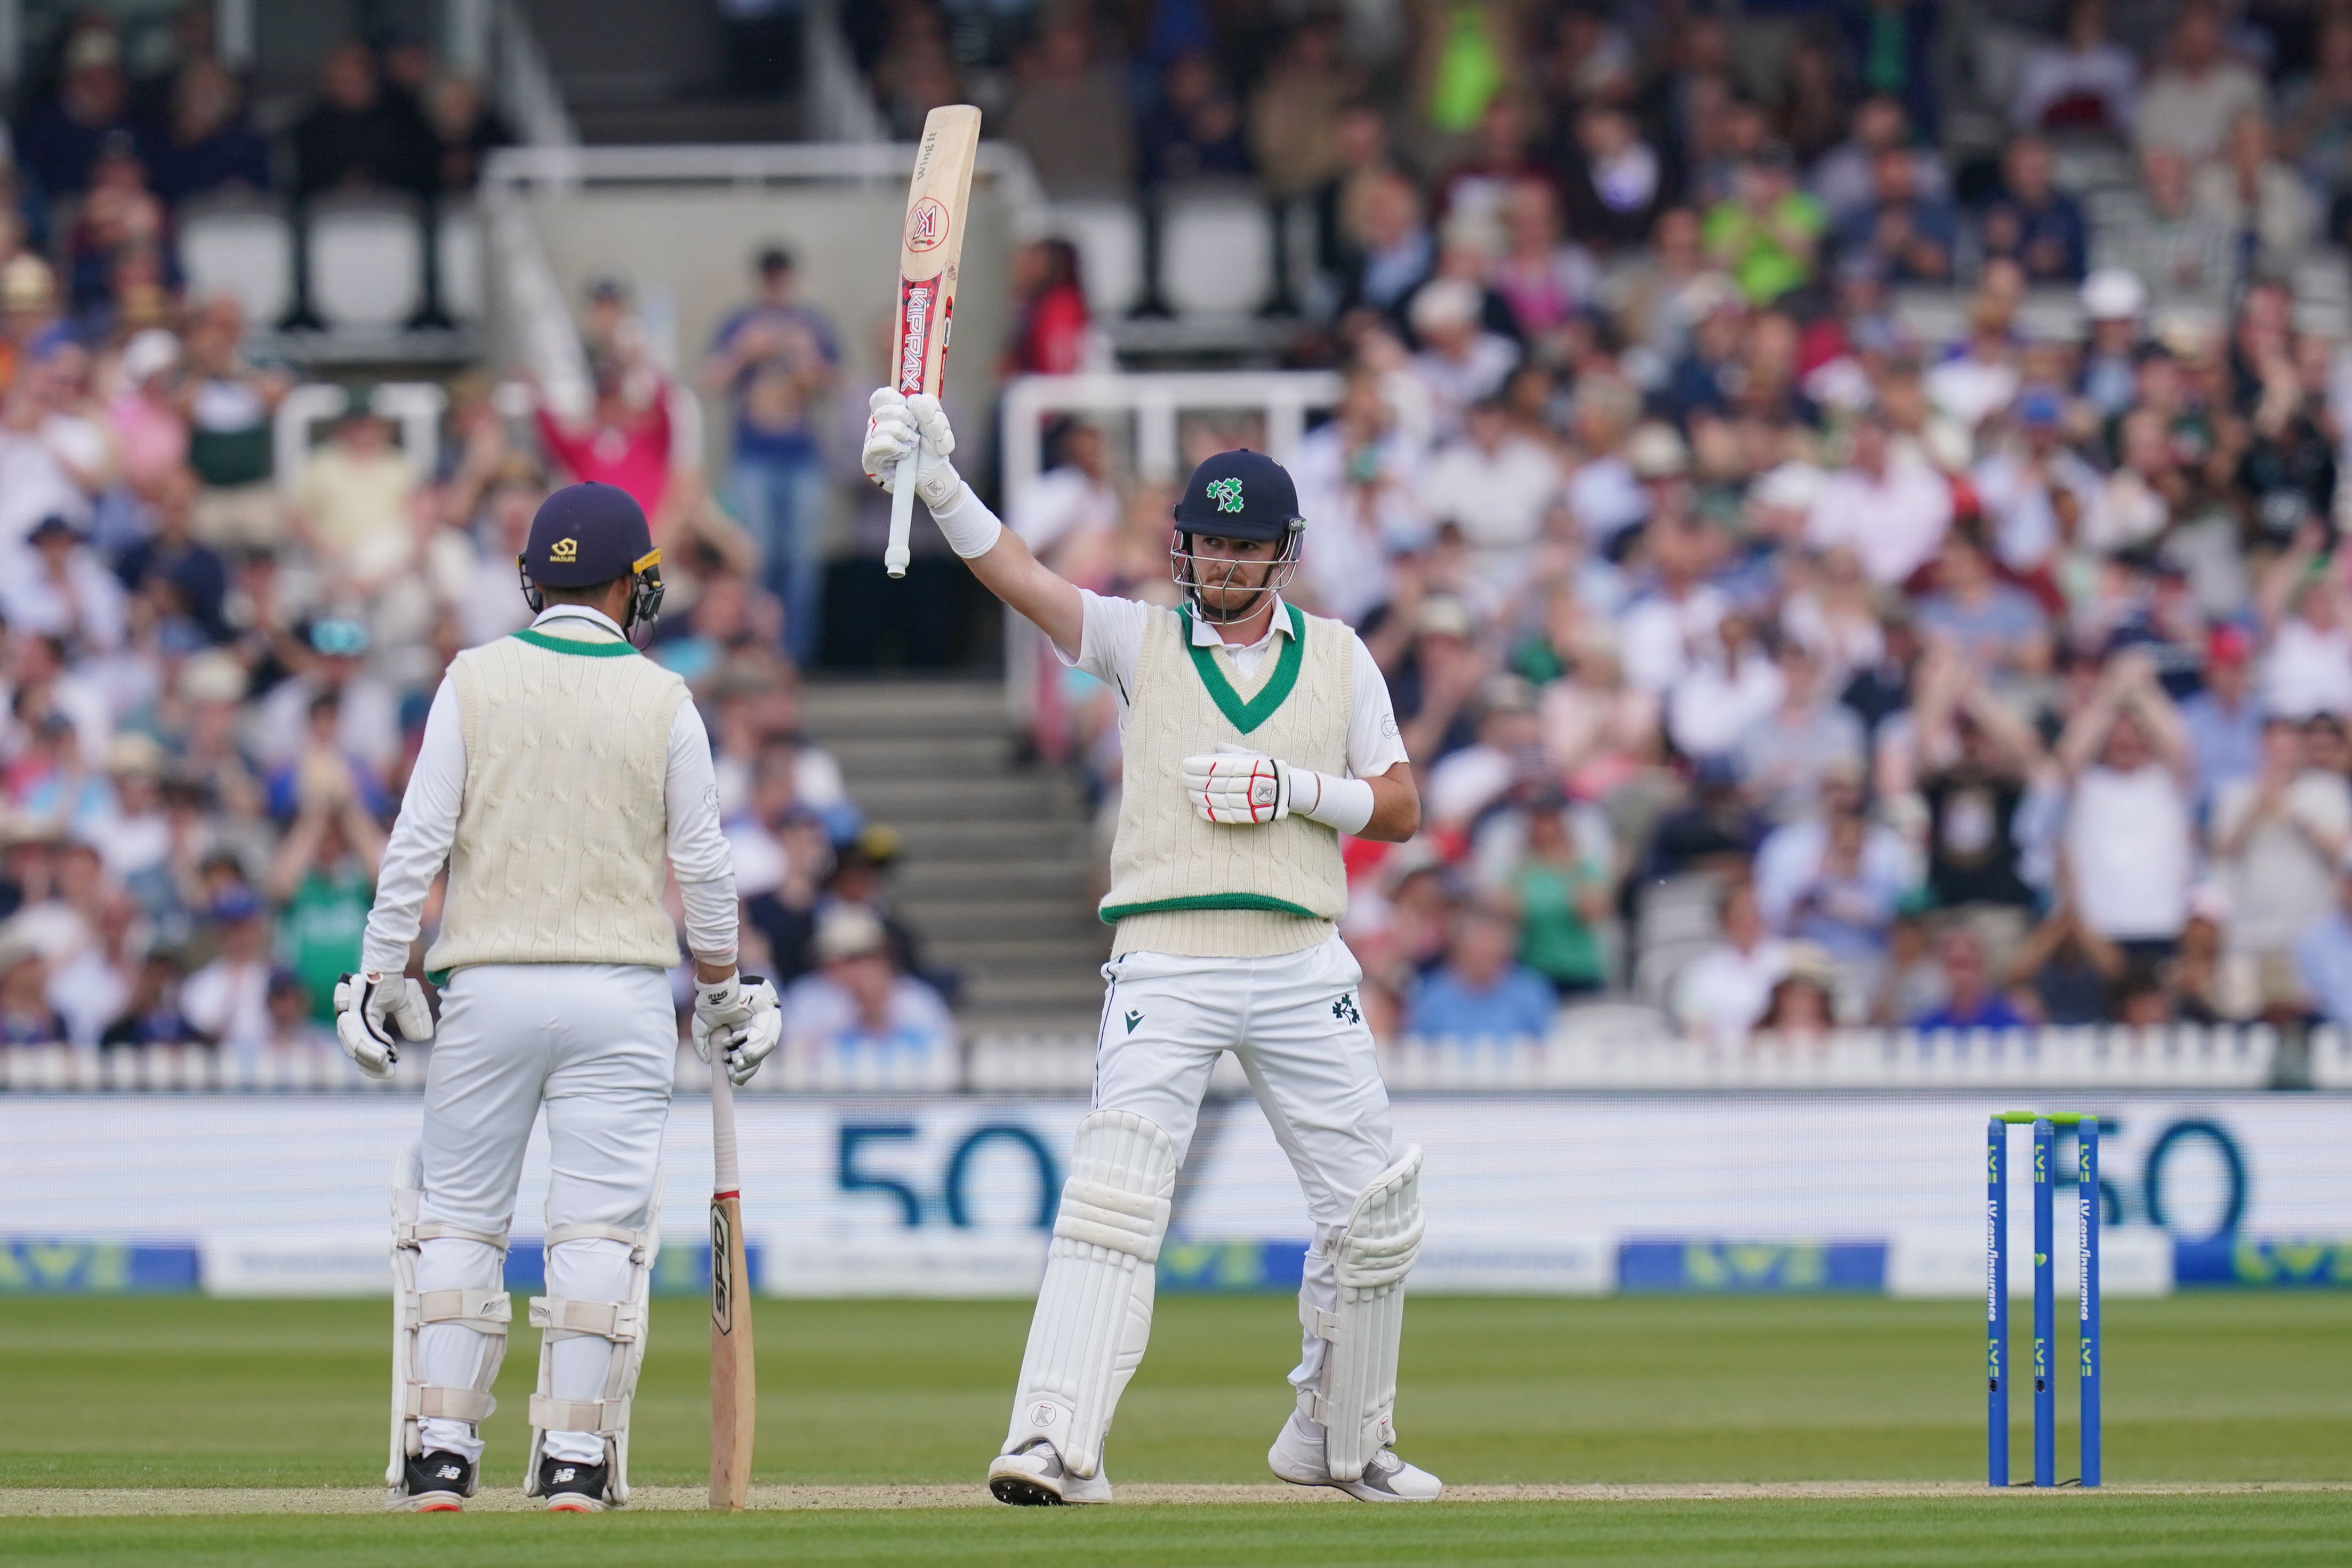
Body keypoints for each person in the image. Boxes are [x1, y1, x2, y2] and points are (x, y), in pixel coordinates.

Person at [861, 392, 1435, 1503]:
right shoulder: (1142, 638)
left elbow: (1402, 806)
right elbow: (1023, 578)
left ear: (1283, 553)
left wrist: (1295, 790)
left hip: (1299, 956)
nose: (1221, 563)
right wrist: (938, 483)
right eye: (1208, 542)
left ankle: (1340, 1439)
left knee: (1372, 1207)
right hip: (1166, 957)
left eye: (1243, 546)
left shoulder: (1340, 656)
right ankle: (1053, 1441)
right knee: (1116, 1197)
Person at [347, 483, 779, 1512]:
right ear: (637, 585)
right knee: (597, 1231)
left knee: (456, 1221)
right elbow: (706, 871)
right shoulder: (664, 696)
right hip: (619, 993)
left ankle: (442, 1450)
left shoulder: (473, 678)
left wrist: (378, 973)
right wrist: (721, 991)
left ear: (532, 580)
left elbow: (418, 842)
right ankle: (575, 1461)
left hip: (488, 983)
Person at [701, 246, 839, 664]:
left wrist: (805, 358)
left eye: (781, 277)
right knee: (755, 558)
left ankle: (795, 656)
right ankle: (759, 651)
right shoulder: (739, 324)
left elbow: (835, 384)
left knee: (802, 561)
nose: (776, 285)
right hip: (753, 459)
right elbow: (709, 379)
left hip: (801, 459)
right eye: (770, 277)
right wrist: (745, 350)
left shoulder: (811, 323)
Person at [1407, 905, 1558, 1037]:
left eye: (1495, 943)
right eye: (1480, 944)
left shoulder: (1531, 992)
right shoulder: (1431, 997)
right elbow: (1414, 1050)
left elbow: (1549, 1047)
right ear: (1459, 948)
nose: (1489, 951)